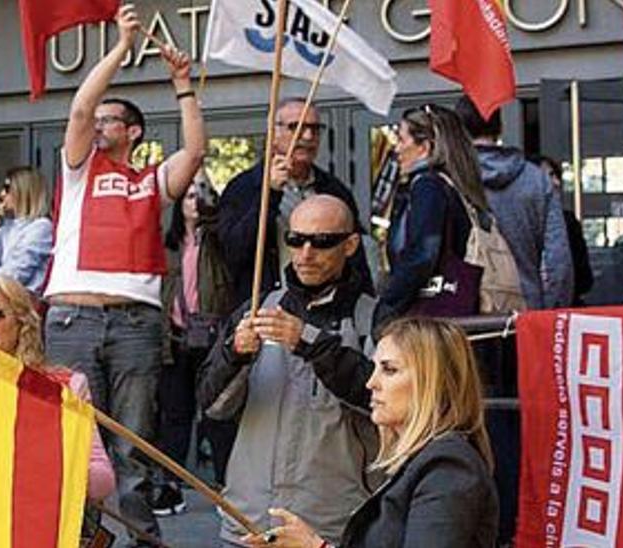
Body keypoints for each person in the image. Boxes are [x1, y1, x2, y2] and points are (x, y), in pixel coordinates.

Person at [41, 5, 205, 543]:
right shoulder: (79, 168)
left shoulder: (151, 180)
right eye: (100, 120)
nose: (99, 124)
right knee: (74, 437)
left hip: (136, 322)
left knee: (134, 442)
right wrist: (120, 47)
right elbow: (80, 107)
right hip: (72, 318)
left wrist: (183, 85)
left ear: (132, 131)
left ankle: (142, 539)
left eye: (113, 120)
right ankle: (78, 536)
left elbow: (196, 153)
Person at [199, 195, 382, 546]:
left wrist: (309, 343)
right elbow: (211, 406)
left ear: (351, 245)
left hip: (331, 527)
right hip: (248, 523)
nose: (306, 253)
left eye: (322, 241)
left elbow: (381, 403)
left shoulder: (372, 318)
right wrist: (233, 354)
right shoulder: (256, 308)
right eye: (296, 240)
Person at [240, 317, 498, 548]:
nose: (371, 383)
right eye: (375, 368)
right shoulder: (430, 461)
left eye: (389, 370)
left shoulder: (449, 468)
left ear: (432, 381)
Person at [0, 273, 115, 501]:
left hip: (36, 514)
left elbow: (103, 482)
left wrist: (46, 463)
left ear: (21, 322)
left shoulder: (64, 388)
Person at [216, 98, 373, 308]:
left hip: (328, 313)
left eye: (315, 129)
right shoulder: (244, 187)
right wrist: (269, 194)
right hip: (267, 310)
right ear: (274, 132)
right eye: (296, 128)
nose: (308, 137)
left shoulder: (333, 189)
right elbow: (232, 253)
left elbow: (355, 256)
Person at [153, 174, 236, 514]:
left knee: (218, 414)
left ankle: (225, 486)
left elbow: (227, 245)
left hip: (213, 338)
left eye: (200, 195)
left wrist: (210, 210)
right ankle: (170, 486)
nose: (193, 201)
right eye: (187, 196)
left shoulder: (217, 239)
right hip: (174, 339)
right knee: (175, 417)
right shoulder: (167, 244)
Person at [455, 97, 573, 310]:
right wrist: (549, 309)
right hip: (526, 307)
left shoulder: (453, 178)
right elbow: (558, 260)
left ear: (459, 131)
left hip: (468, 311)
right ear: (499, 127)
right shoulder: (537, 179)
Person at [381, 104, 487, 318]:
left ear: (425, 147)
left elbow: (422, 255)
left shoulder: (427, 186)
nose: (397, 149)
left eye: (402, 140)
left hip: (429, 316)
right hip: (455, 310)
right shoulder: (457, 185)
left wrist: (387, 308)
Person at [529, 154, 594, 306]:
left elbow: (585, 279)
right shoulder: (521, 221)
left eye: (556, 176)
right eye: (549, 176)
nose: (556, 182)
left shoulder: (569, 222)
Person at [0, 166, 53, 293]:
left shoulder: (41, 227)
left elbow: (19, 270)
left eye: (7, 189)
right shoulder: (4, 228)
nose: (2, 194)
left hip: (24, 301)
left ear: (23, 190)